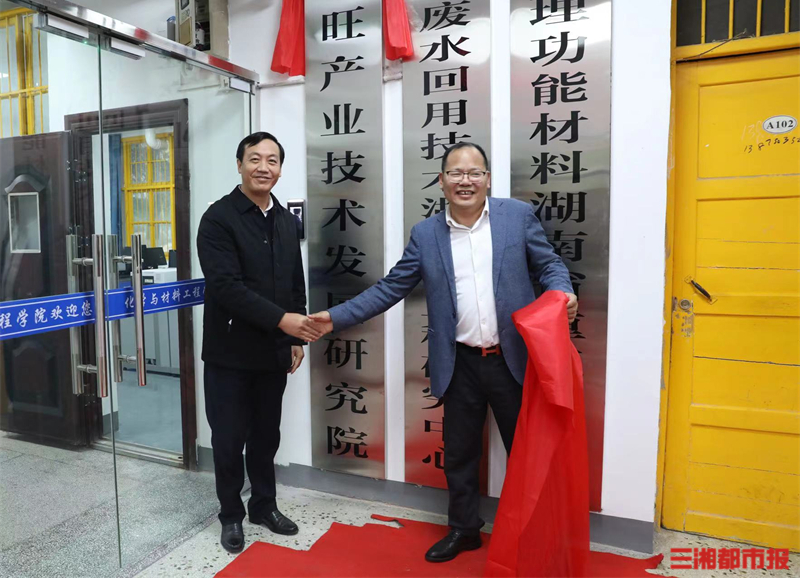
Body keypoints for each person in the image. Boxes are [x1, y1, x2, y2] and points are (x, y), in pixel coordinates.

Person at [310, 142, 577, 563]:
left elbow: (549, 265)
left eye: (474, 172)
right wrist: (333, 318)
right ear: (441, 180)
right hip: (460, 362)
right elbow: (390, 288)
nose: (465, 181)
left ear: (487, 178)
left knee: (529, 455)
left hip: (514, 360)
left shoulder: (516, 217)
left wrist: (562, 290)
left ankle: (539, 534)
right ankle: (464, 530)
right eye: (455, 173)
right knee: (459, 454)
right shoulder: (426, 234)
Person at [197, 131, 323, 554]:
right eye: (254, 159)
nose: (263, 167)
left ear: (280, 169)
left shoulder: (285, 219)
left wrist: (297, 335)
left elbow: (294, 281)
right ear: (239, 165)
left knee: (267, 435)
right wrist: (284, 321)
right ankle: (231, 515)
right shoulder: (218, 218)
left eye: (272, 160)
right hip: (229, 353)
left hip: (273, 350)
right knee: (229, 439)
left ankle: (264, 506)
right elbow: (226, 287)